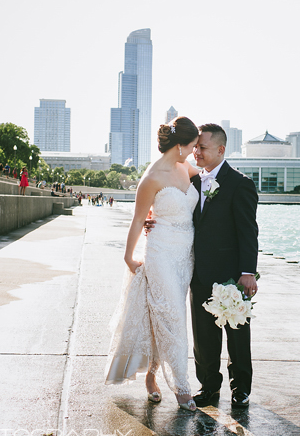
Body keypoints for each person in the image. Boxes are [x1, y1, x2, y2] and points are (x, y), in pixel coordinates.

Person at [105, 116, 201, 411]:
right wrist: (128, 257)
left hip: (186, 255)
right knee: (172, 315)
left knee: (162, 317)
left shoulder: (186, 167)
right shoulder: (152, 178)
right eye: (194, 146)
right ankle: (182, 388)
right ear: (181, 145)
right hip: (159, 252)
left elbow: (209, 178)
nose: (196, 152)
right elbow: (137, 219)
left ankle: (151, 376)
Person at [189, 123, 259, 409]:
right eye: (195, 147)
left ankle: (240, 388)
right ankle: (208, 386)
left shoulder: (240, 183)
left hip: (231, 276)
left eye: (202, 147)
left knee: (237, 335)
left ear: (220, 149)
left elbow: (248, 231)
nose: (196, 152)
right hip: (198, 272)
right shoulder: (192, 182)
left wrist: (247, 273)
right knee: (203, 336)